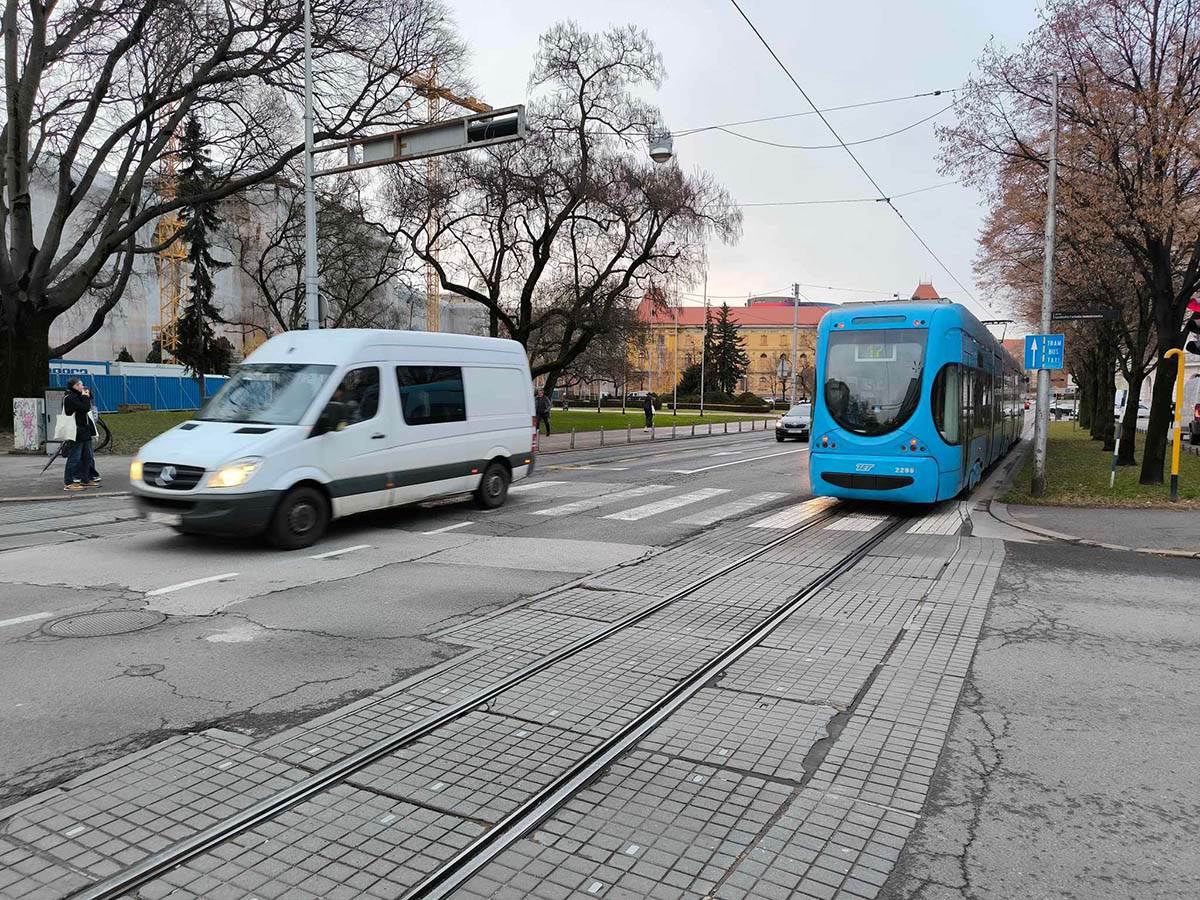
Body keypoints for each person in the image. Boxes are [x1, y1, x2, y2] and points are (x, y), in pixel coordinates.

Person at [62, 378, 99, 491]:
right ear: (74, 386)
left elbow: (88, 402)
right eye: (80, 385)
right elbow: (84, 408)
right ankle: (68, 482)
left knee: (87, 456)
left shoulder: (79, 396)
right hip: (76, 432)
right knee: (74, 457)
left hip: (85, 430)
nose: (82, 387)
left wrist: (86, 395)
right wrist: (85, 396)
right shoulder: (70, 398)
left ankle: (85, 479)